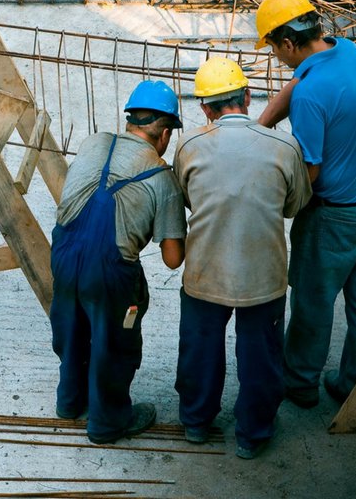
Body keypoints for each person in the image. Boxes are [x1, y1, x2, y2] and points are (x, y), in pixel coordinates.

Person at [254, 0, 356, 410]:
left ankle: (299, 384)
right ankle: (355, 385)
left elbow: (309, 173)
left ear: (287, 43)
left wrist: (278, 202)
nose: (276, 58)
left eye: (274, 49)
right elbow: (296, 84)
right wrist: (258, 129)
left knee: (313, 303)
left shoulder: (312, 97)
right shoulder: (348, 51)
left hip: (337, 216)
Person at [173, 57, 312, 459]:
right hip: (262, 276)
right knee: (261, 356)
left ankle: (196, 422)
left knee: (199, 349)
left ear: (204, 109)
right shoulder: (285, 146)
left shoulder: (189, 145)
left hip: (205, 273)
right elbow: (294, 205)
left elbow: (187, 198)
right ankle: (253, 433)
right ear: (248, 97)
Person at [50, 80, 187, 445]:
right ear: (165, 134)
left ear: (130, 120)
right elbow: (173, 260)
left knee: (72, 327)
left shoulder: (93, 142)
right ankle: (107, 424)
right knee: (114, 343)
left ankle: (70, 402)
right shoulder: (162, 177)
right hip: (110, 273)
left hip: (63, 252)